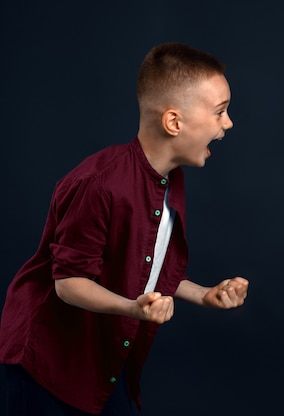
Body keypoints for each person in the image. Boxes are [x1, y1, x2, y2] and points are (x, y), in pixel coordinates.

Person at [0, 42, 249, 415]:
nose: (228, 123)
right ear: (174, 123)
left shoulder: (171, 180)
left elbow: (144, 266)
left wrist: (204, 294)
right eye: (220, 112)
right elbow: (69, 283)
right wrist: (133, 309)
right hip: (46, 368)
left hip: (103, 366)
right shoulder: (99, 184)